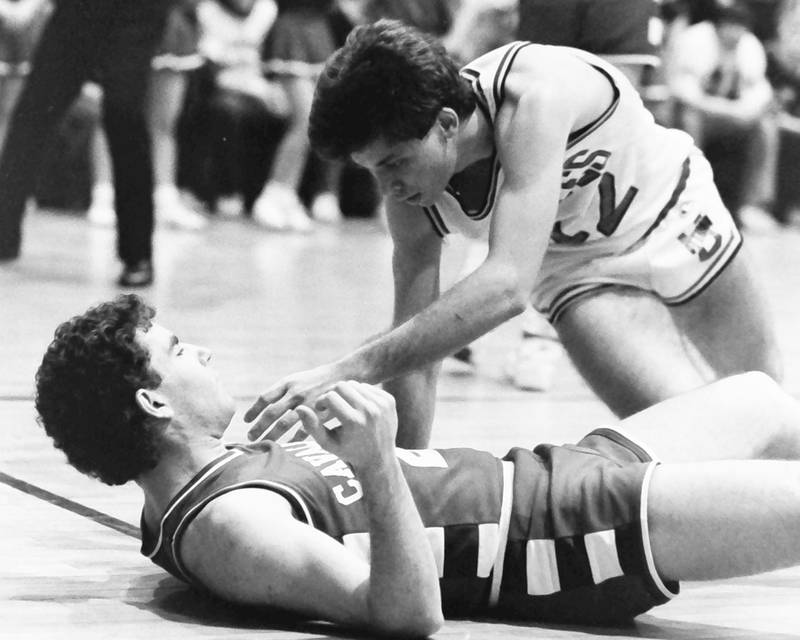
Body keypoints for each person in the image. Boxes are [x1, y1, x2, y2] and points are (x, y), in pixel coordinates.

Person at [33, 294, 800, 636]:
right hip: (560, 536)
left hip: (551, 471)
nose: (197, 350)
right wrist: (376, 465)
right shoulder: (229, 528)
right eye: (175, 352)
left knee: (761, 399)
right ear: (155, 405)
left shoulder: (201, 482)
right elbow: (404, 616)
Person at [243, 19, 780, 448]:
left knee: (771, 410)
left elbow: (506, 287)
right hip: (575, 272)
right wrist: (406, 479)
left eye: (396, 163)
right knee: (704, 443)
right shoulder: (409, 200)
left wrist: (349, 367)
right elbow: (416, 350)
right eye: (373, 170)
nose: (389, 186)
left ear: (448, 125)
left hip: (673, 214)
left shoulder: (534, 96)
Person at [0, 0, 173, 287]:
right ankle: (3, 232)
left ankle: (137, 254)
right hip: (78, 8)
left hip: (139, 11)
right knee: (35, 111)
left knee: (124, 112)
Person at [87, 0, 209, 232]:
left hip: (173, 22)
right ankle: (104, 195)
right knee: (113, 113)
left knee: (164, 121)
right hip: (126, 22)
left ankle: (163, 198)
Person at [666, 1, 780, 232]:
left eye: (741, 28)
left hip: (731, 116)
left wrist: (743, 112)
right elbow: (682, 89)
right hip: (696, 113)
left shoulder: (749, 45)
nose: (736, 33)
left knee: (766, 125)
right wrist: (724, 109)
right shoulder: (694, 40)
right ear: (718, 26)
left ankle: (753, 205)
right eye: (731, 27)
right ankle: (689, 199)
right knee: (690, 118)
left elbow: (760, 90)